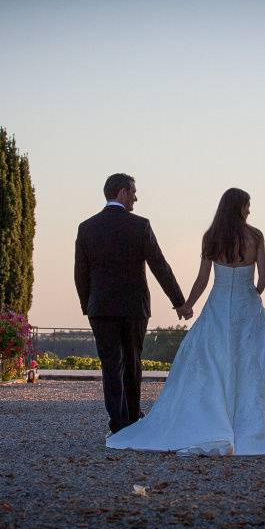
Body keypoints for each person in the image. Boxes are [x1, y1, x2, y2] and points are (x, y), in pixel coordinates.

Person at [106, 188, 265, 456]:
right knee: (263, 356)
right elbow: (263, 277)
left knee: (210, 359)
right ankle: (259, 426)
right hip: (247, 304)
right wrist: (252, 295)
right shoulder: (255, 236)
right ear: (239, 207)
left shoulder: (212, 237)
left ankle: (209, 418)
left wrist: (187, 305)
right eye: (247, 205)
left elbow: (202, 280)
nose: (249, 210)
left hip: (217, 307)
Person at [75, 173, 191, 435]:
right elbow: (160, 266)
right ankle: (134, 418)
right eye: (134, 192)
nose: (136, 198)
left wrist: (88, 304)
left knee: (110, 364)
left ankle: (117, 423)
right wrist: (179, 302)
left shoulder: (87, 227)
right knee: (132, 361)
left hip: (100, 308)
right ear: (123, 192)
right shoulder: (140, 226)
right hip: (133, 307)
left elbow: (80, 273)